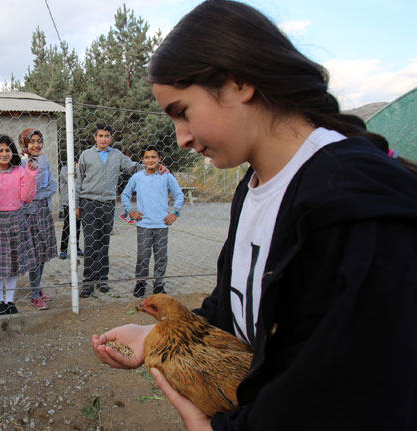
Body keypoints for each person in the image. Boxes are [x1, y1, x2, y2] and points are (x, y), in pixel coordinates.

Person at [92, 1, 417, 430]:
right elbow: (236, 308)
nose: (182, 138)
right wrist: (158, 334)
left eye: (182, 112)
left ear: (240, 83)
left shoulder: (354, 205)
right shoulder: (254, 185)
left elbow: (347, 392)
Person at [75, 123, 145, 298]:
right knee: (90, 243)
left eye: (107, 136)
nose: (103, 139)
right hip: (88, 203)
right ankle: (88, 283)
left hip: (107, 204)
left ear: (111, 138)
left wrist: (154, 166)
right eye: (100, 136)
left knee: (104, 242)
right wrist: (77, 204)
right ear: (95, 137)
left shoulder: (117, 155)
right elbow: (78, 181)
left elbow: (133, 167)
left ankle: (102, 279)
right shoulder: (86, 155)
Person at [0, 134, 38, 316]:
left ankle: (10, 300)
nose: (4, 154)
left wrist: (30, 174)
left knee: (13, 263)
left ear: (13, 152)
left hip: (15, 220)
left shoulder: (19, 170)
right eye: (0, 150)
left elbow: (27, 197)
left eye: (8, 150)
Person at [121, 145, 184, 298]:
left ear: (159, 159)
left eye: (153, 157)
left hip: (162, 224)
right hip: (144, 224)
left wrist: (175, 213)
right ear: (142, 160)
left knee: (161, 256)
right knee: (143, 256)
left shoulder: (166, 176)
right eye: (147, 157)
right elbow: (125, 195)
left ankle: (159, 285)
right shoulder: (137, 178)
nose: (150, 160)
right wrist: (131, 211)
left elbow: (179, 195)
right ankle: (140, 283)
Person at [18, 128, 57, 311]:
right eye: (32, 141)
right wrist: (33, 194)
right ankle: (34, 295)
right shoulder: (20, 162)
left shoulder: (44, 159)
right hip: (29, 214)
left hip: (44, 211)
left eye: (38, 141)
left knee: (42, 253)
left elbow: (53, 186)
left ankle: (38, 288)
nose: (36, 145)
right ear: (24, 144)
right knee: (34, 255)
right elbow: (23, 192)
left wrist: (35, 194)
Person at [58, 158, 83, 259]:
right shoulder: (65, 169)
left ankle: (76, 248)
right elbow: (72, 179)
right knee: (67, 225)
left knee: (77, 225)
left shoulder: (80, 170)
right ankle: (63, 250)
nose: (75, 164)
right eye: (75, 162)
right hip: (68, 202)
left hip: (78, 202)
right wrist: (77, 171)